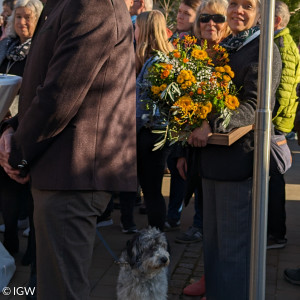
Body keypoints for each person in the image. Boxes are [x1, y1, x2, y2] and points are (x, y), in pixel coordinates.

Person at [0, 1, 137, 300]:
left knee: (61, 291)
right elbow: (49, 84)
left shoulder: (92, 5)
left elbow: (60, 95)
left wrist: (18, 151)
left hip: (72, 173)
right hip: (59, 170)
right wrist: (13, 127)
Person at [178, 0, 282, 298]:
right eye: (234, 3)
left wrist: (211, 124)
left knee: (233, 249)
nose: (238, 10)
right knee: (213, 243)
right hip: (210, 159)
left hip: (238, 163)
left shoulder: (262, 49)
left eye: (247, 5)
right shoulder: (229, 46)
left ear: (260, 13)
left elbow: (255, 107)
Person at [0, 0, 43, 257]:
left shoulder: (39, 50)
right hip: (4, 125)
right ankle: (11, 239)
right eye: (18, 18)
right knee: (6, 185)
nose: (22, 22)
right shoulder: (6, 46)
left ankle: (32, 250)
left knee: (29, 188)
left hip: (28, 123)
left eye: (28, 17)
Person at [165, 0, 202, 238]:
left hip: (191, 115)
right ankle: (173, 213)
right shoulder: (173, 41)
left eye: (186, 13)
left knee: (189, 168)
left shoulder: (197, 44)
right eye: (178, 12)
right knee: (174, 162)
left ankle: (189, 218)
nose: (179, 16)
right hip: (170, 114)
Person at [135, 10, 174, 231]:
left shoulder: (156, 63)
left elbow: (145, 107)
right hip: (156, 135)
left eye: (137, 28)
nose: (134, 32)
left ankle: (156, 238)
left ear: (146, 30)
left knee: (151, 191)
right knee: (152, 190)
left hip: (151, 135)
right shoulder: (160, 58)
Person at [267, 0, 300, 250]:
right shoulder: (280, 42)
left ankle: (276, 234)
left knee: (274, 177)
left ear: (275, 20)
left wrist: (270, 120)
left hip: (275, 124)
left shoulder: (282, 44)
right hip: (276, 122)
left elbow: (284, 91)